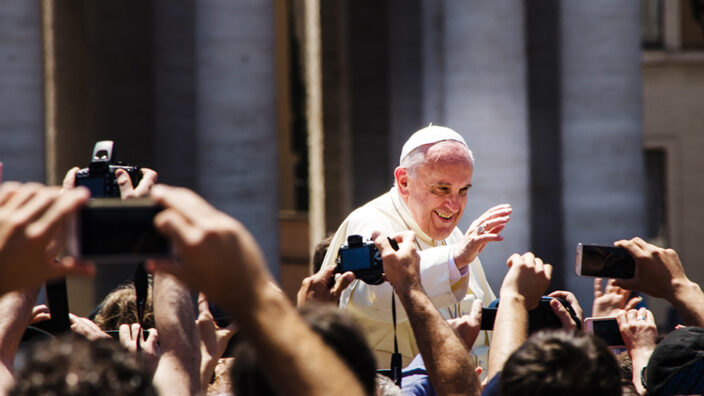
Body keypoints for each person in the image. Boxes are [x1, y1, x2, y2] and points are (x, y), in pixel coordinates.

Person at [319, 125, 511, 366]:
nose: (454, 205)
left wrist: (523, 307)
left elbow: (488, 324)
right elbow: (375, 297)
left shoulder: (455, 237)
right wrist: (455, 259)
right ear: (404, 181)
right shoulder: (370, 223)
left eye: (463, 191)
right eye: (442, 189)